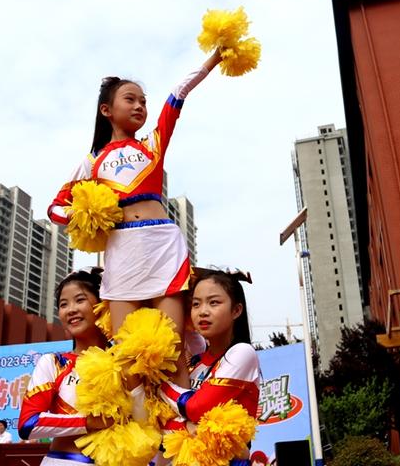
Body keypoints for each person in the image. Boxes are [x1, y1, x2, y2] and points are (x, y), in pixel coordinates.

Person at [47, 50, 224, 388]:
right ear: (106, 110)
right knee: (128, 359)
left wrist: (213, 59)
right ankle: (137, 437)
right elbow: (55, 208)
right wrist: (88, 216)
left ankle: (180, 433)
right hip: (121, 252)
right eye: (131, 99)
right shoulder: (92, 161)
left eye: (144, 101)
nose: (140, 106)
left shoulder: (153, 144)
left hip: (162, 247)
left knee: (172, 352)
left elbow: (178, 94)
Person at [160, 268, 260, 465]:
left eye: (214, 302)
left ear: (237, 310)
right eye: (196, 304)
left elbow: (197, 408)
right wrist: (188, 427)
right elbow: (161, 426)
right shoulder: (195, 362)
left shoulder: (242, 353)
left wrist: (161, 387)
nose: (203, 311)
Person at [18, 269, 114, 465]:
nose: (71, 310)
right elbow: (28, 424)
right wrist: (87, 422)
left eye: (80, 300)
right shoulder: (54, 363)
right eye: (63, 304)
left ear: (102, 305)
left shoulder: (127, 362)